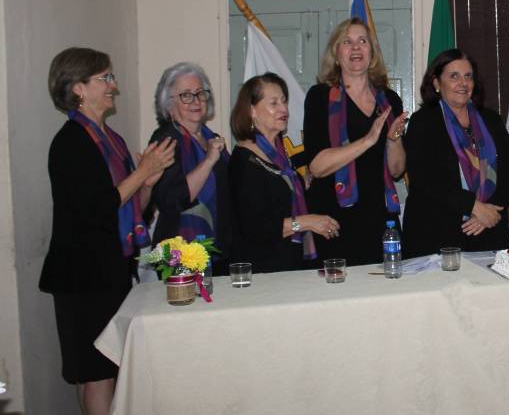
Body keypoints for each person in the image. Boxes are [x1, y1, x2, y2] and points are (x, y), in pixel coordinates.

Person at [41, 47, 175, 415]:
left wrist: (147, 183)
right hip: (82, 275)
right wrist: (143, 172)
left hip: (111, 267)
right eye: (105, 78)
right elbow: (97, 207)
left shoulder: (110, 139)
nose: (113, 86)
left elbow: (133, 208)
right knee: (95, 372)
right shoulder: (70, 142)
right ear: (78, 88)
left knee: (111, 369)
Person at [303, 19, 407, 266]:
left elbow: (396, 170)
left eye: (362, 41)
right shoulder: (319, 97)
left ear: (372, 52)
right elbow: (317, 166)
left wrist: (393, 140)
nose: (356, 47)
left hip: (380, 218)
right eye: (347, 42)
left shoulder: (389, 100)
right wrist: (368, 140)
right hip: (333, 220)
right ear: (336, 54)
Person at [403, 49, 509, 257]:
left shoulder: (491, 120)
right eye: (454, 76)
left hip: (488, 228)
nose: (463, 83)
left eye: (468, 76)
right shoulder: (423, 122)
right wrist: (473, 206)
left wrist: (488, 211)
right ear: (436, 83)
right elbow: (425, 179)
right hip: (437, 235)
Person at [228, 72, 339, 273]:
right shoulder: (244, 161)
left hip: (289, 262)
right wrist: (306, 222)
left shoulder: (279, 153)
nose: (284, 109)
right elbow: (256, 228)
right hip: (262, 270)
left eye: (284, 101)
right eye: (274, 103)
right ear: (252, 111)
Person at [148, 62, 231, 272]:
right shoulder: (165, 140)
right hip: (179, 254)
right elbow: (171, 200)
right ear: (168, 104)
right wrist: (208, 161)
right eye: (186, 95)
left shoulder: (211, 137)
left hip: (219, 250)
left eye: (200, 93)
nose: (196, 100)